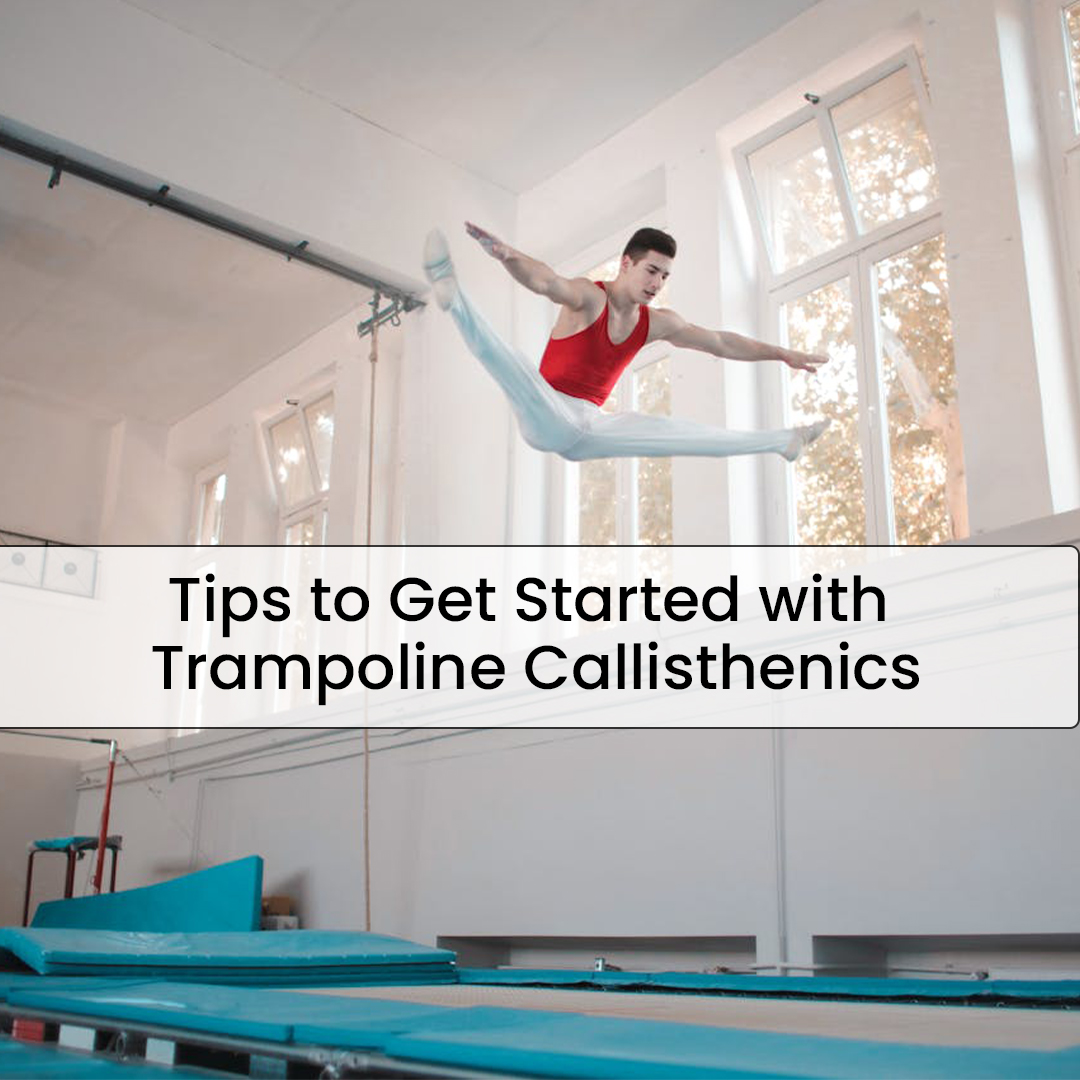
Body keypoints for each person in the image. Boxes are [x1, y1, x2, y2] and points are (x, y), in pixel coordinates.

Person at [422, 223, 829, 462]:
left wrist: (781, 353)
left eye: (665, 276)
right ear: (626, 263)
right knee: (511, 364)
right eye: (652, 271)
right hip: (547, 414)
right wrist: (507, 255)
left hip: (592, 428)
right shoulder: (589, 297)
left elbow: (721, 342)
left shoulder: (657, 323)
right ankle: (453, 296)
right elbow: (546, 281)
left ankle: (784, 442)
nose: (657, 283)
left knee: (682, 433)